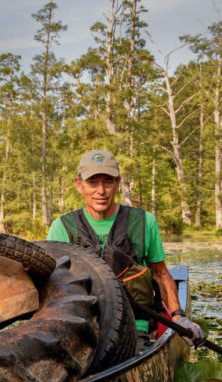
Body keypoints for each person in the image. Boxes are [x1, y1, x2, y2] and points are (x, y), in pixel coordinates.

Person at [46, 149, 204, 351]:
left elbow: (161, 274)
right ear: (79, 185)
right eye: (93, 183)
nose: (101, 191)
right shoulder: (62, 228)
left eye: (108, 182)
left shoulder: (145, 222)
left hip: (134, 328)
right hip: (83, 329)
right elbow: (52, 285)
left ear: (118, 183)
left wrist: (179, 317)